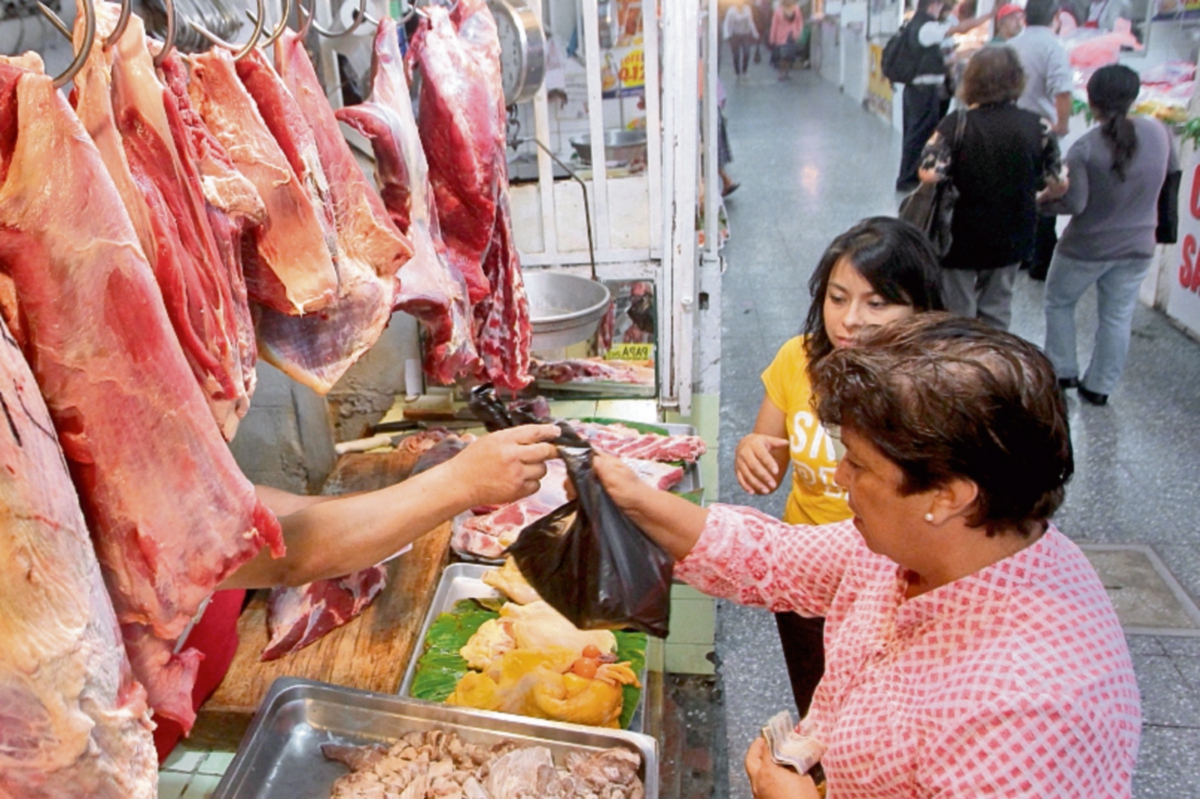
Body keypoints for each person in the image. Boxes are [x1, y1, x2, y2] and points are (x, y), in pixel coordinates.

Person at [595, 313, 1141, 799]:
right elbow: (773, 556)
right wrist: (637, 499)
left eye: (857, 465)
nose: (838, 477)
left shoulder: (1026, 717)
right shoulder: (935, 548)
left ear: (947, 494)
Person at [152, 422, 562, 758]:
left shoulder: (150, 458)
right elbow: (293, 556)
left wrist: (393, 503)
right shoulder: (111, 503)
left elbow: (252, 504)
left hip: (201, 683)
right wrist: (460, 482)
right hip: (157, 743)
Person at [734, 218, 944, 715]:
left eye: (877, 302)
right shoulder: (797, 360)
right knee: (817, 705)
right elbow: (769, 447)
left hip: (891, 583)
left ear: (919, 307)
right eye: (837, 297)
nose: (851, 319)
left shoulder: (935, 389)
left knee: (878, 716)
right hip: (807, 574)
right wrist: (753, 450)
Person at [1041, 65, 1177, 406]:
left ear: (1091, 101)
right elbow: (1172, 178)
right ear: (1134, 97)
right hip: (1139, 247)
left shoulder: (1085, 148)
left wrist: (1042, 202)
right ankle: (1100, 387)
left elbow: (1075, 203)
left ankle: (1063, 370)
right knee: (1117, 316)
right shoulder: (1160, 133)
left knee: (1059, 301)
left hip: (1086, 248)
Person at [918, 45, 1067, 331]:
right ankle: (993, 367)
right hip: (1011, 232)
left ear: (971, 81)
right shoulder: (1038, 126)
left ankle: (960, 367)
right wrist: (1040, 195)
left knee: (956, 311)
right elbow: (1058, 183)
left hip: (960, 233)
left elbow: (929, 173)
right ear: (1016, 81)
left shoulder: (956, 124)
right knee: (997, 307)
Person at [894, 0, 994, 192]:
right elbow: (959, 30)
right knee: (919, 135)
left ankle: (910, 176)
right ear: (933, 6)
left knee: (914, 134)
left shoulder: (913, 23)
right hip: (923, 91)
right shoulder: (927, 27)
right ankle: (909, 179)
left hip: (914, 90)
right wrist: (988, 16)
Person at [1008, 0, 1075, 279]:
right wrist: (1061, 124)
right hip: (1039, 131)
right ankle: (1038, 261)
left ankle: (1017, 254)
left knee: (1015, 192)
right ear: (1056, 17)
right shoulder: (1053, 46)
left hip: (1011, 127)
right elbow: (1062, 91)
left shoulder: (1012, 45)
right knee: (1044, 197)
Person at [769, 0, 804, 81]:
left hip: (793, 35)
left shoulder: (796, 9)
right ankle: (781, 72)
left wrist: (799, 32)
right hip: (782, 36)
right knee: (783, 55)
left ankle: (786, 71)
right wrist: (772, 37)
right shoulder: (778, 11)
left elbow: (800, 21)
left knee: (789, 55)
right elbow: (774, 24)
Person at [724, 0, 760, 79]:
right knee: (736, 54)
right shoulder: (731, 11)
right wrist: (726, 34)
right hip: (735, 35)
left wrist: (755, 33)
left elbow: (751, 22)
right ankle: (737, 71)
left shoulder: (747, 9)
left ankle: (744, 70)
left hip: (745, 34)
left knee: (747, 52)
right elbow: (727, 23)